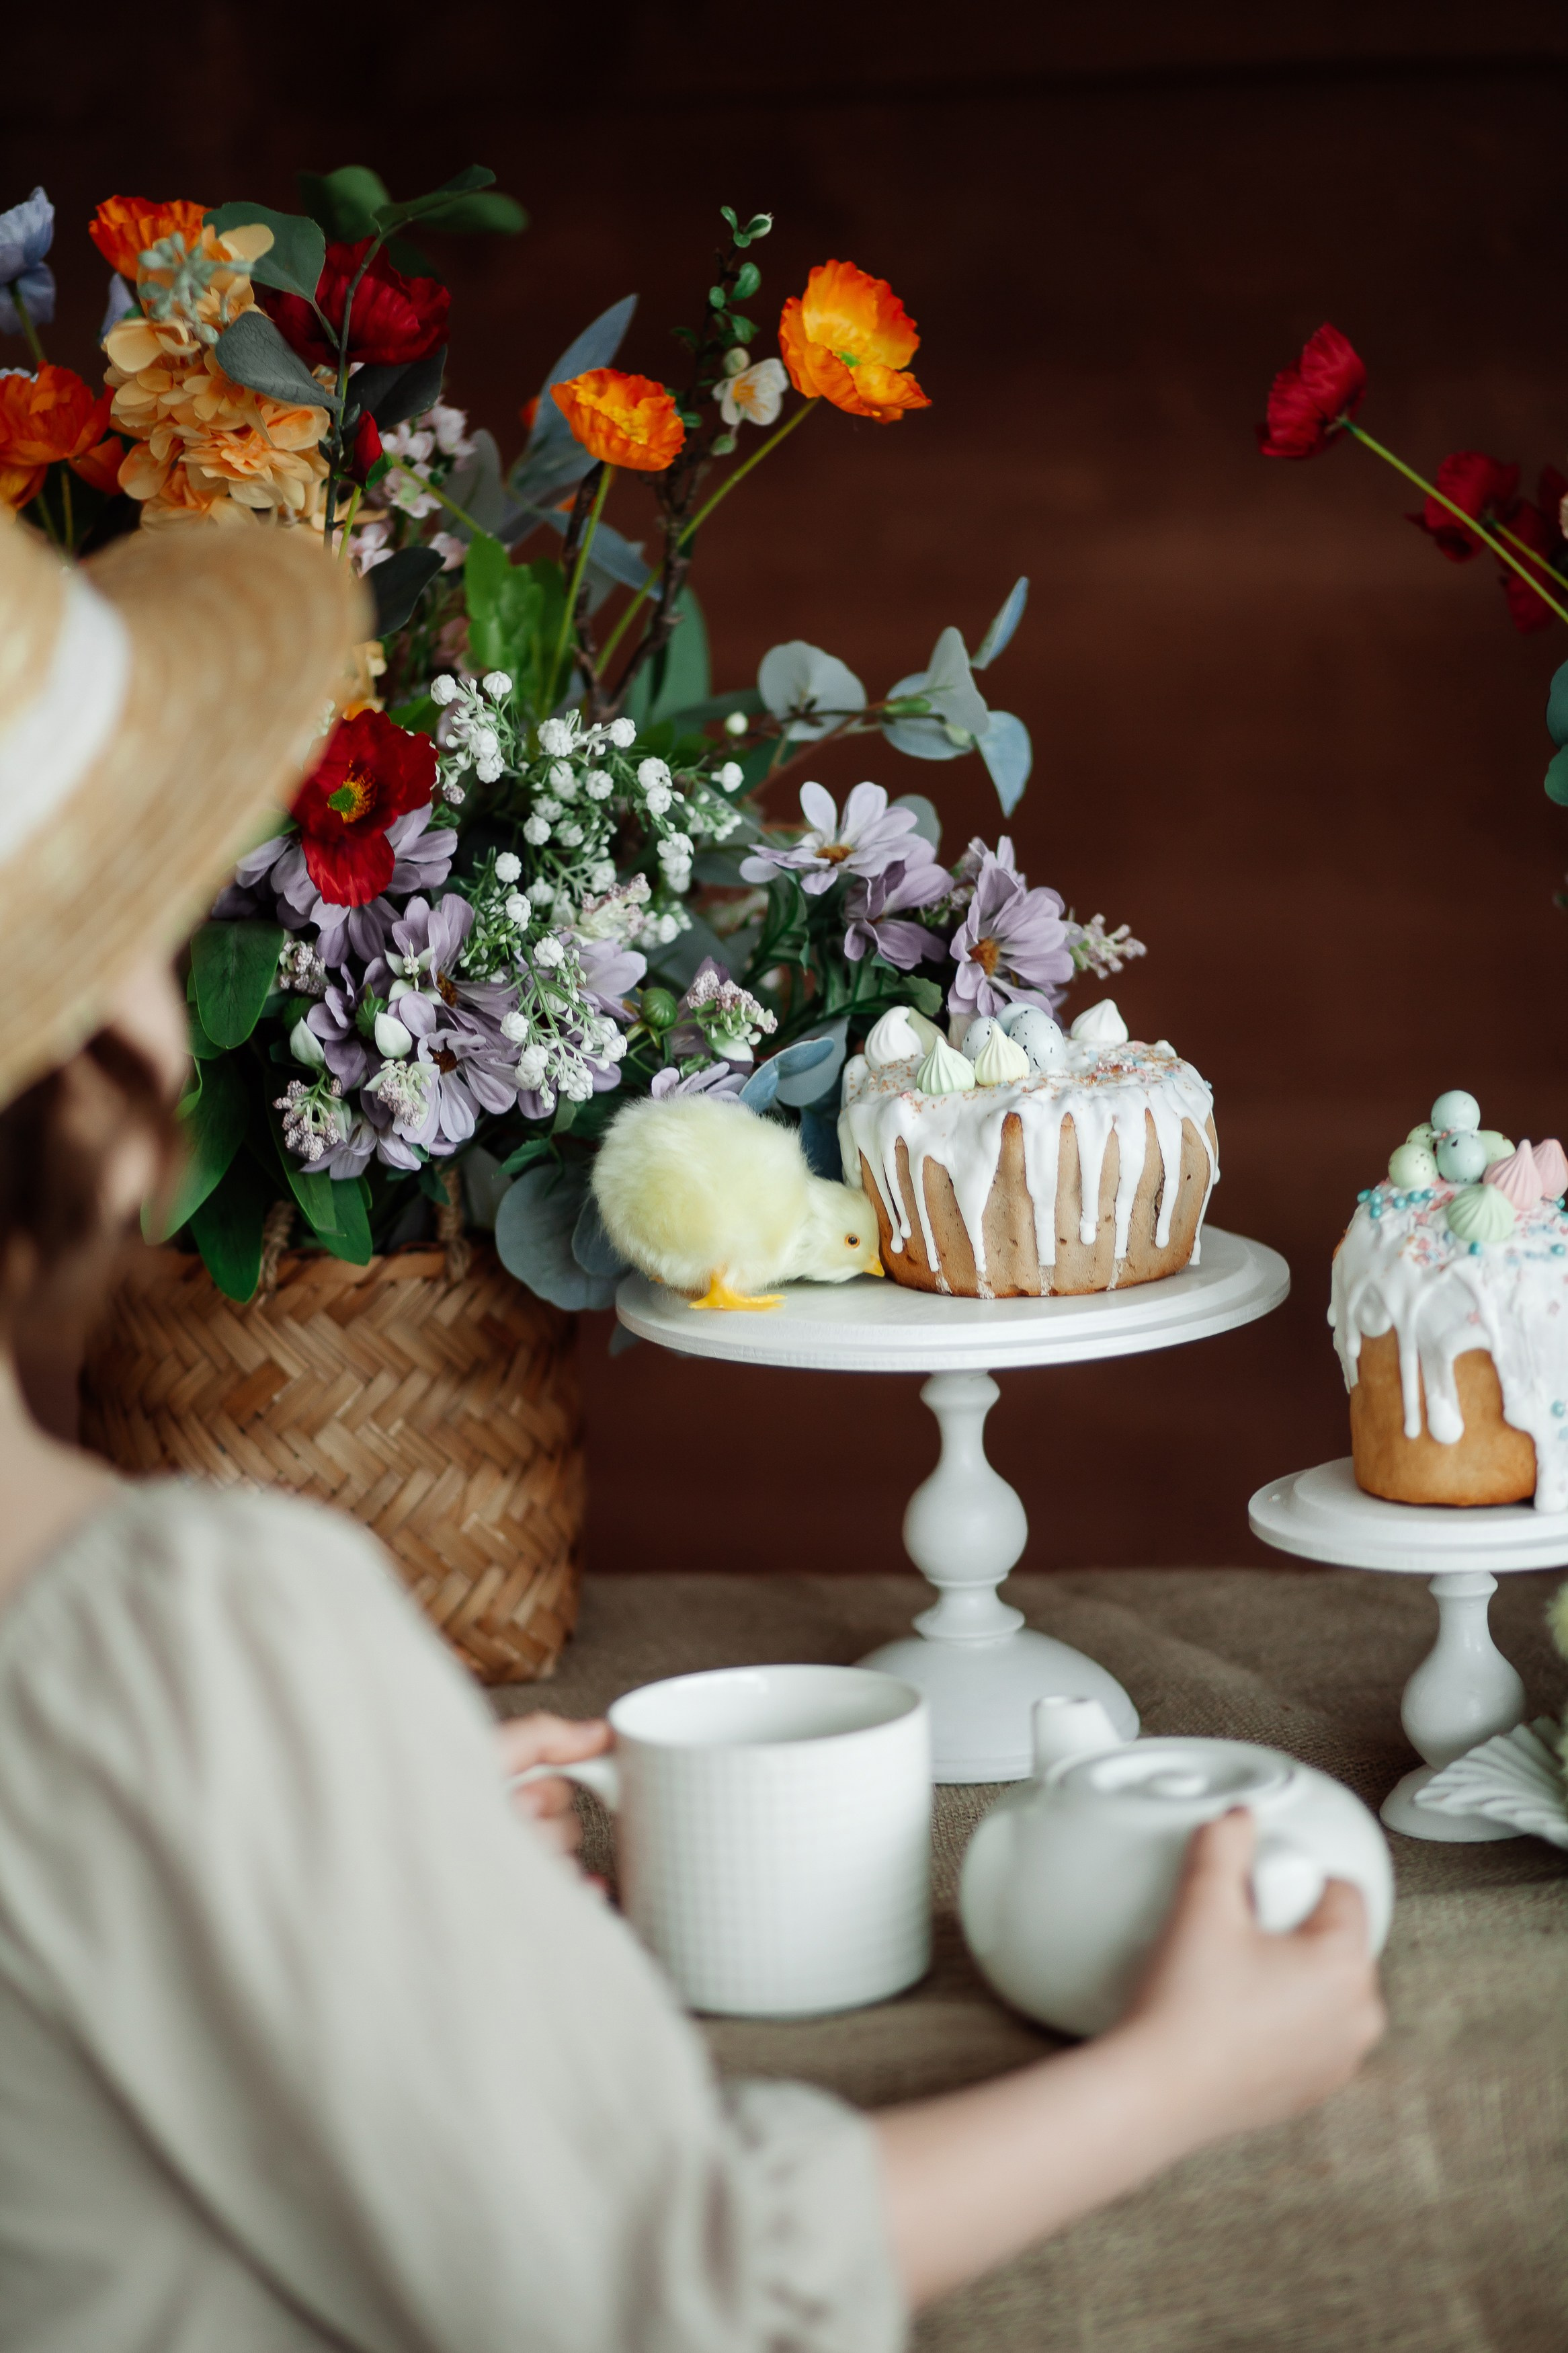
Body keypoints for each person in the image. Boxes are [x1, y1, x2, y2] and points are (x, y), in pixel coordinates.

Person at [0, 510, 1384, 2352]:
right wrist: (1188, 2070)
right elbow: (676, 2296)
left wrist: (350, 1840)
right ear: (101, 1032)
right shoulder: (175, 1634)